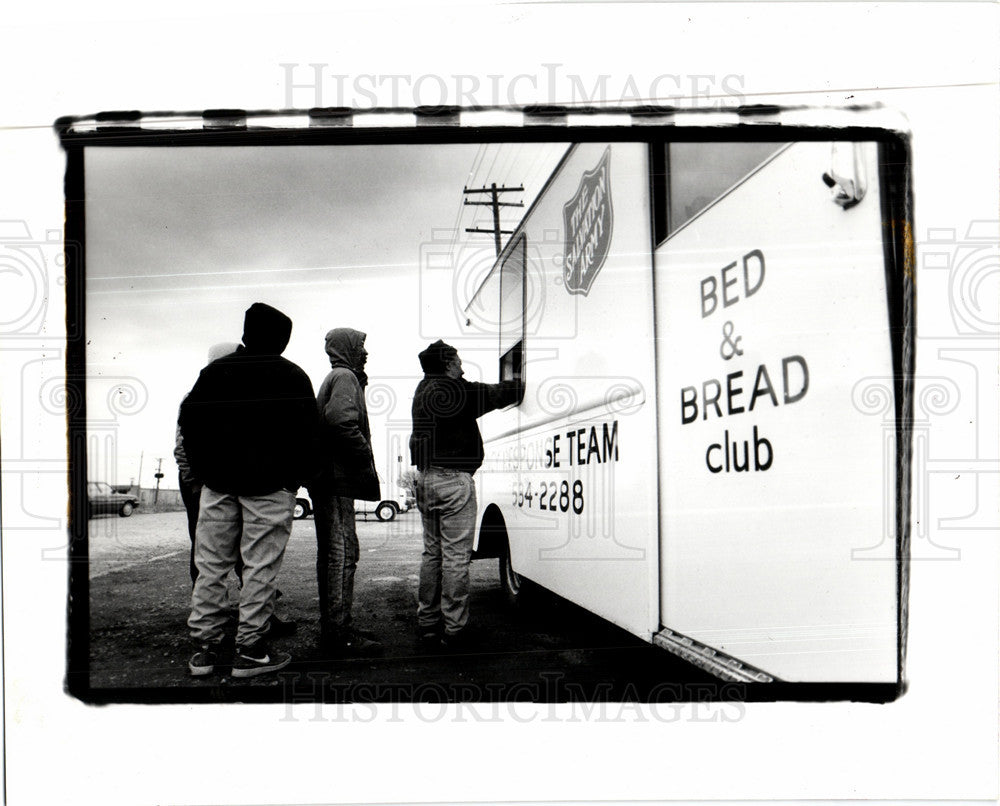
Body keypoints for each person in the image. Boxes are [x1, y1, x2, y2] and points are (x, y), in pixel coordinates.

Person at [180, 303, 318, 678]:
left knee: (210, 566)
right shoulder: (292, 376)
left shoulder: (214, 373)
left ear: (246, 332)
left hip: (219, 486)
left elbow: (188, 420)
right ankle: (250, 651)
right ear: (281, 337)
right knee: (259, 568)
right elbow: (309, 435)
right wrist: (292, 479)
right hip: (270, 489)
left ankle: (204, 652)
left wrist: (205, 471)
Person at [409, 340, 522, 650]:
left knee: (432, 554)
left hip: (425, 478)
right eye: (458, 361)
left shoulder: (423, 390)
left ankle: (428, 623)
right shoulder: (450, 389)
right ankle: (456, 629)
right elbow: (492, 395)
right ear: (447, 364)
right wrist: (521, 382)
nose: (462, 366)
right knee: (457, 557)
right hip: (452, 480)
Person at [310, 328, 382, 656]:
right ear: (348, 349)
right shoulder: (345, 377)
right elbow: (341, 422)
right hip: (337, 482)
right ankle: (338, 635)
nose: (365, 353)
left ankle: (336, 627)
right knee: (342, 554)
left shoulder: (336, 376)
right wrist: (364, 452)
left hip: (327, 480)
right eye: (361, 347)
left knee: (332, 554)